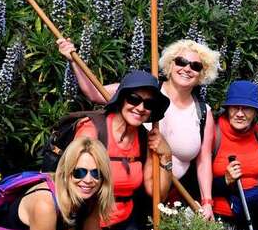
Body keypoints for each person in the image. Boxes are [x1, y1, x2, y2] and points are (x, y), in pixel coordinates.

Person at [58, 38, 220, 220]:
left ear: (202, 73)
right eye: (181, 62)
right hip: (133, 188)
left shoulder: (203, 112)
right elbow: (95, 92)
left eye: (196, 66)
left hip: (171, 193)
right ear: (170, 64)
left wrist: (207, 201)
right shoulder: (146, 89)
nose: (187, 68)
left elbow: (204, 159)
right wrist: (73, 60)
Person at [72, 70, 173, 230]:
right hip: (87, 221)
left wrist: (166, 155)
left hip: (125, 222)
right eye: (134, 99)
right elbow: (75, 190)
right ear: (121, 99)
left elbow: (158, 194)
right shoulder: (92, 131)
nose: (140, 108)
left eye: (148, 104)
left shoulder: (145, 139)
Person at [210, 80, 258, 230]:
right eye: (234, 107)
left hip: (254, 218)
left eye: (246, 108)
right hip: (220, 221)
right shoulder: (213, 133)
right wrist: (225, 181)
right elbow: (193, 184)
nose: (240, 114)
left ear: (255, 112)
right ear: (227, 109)